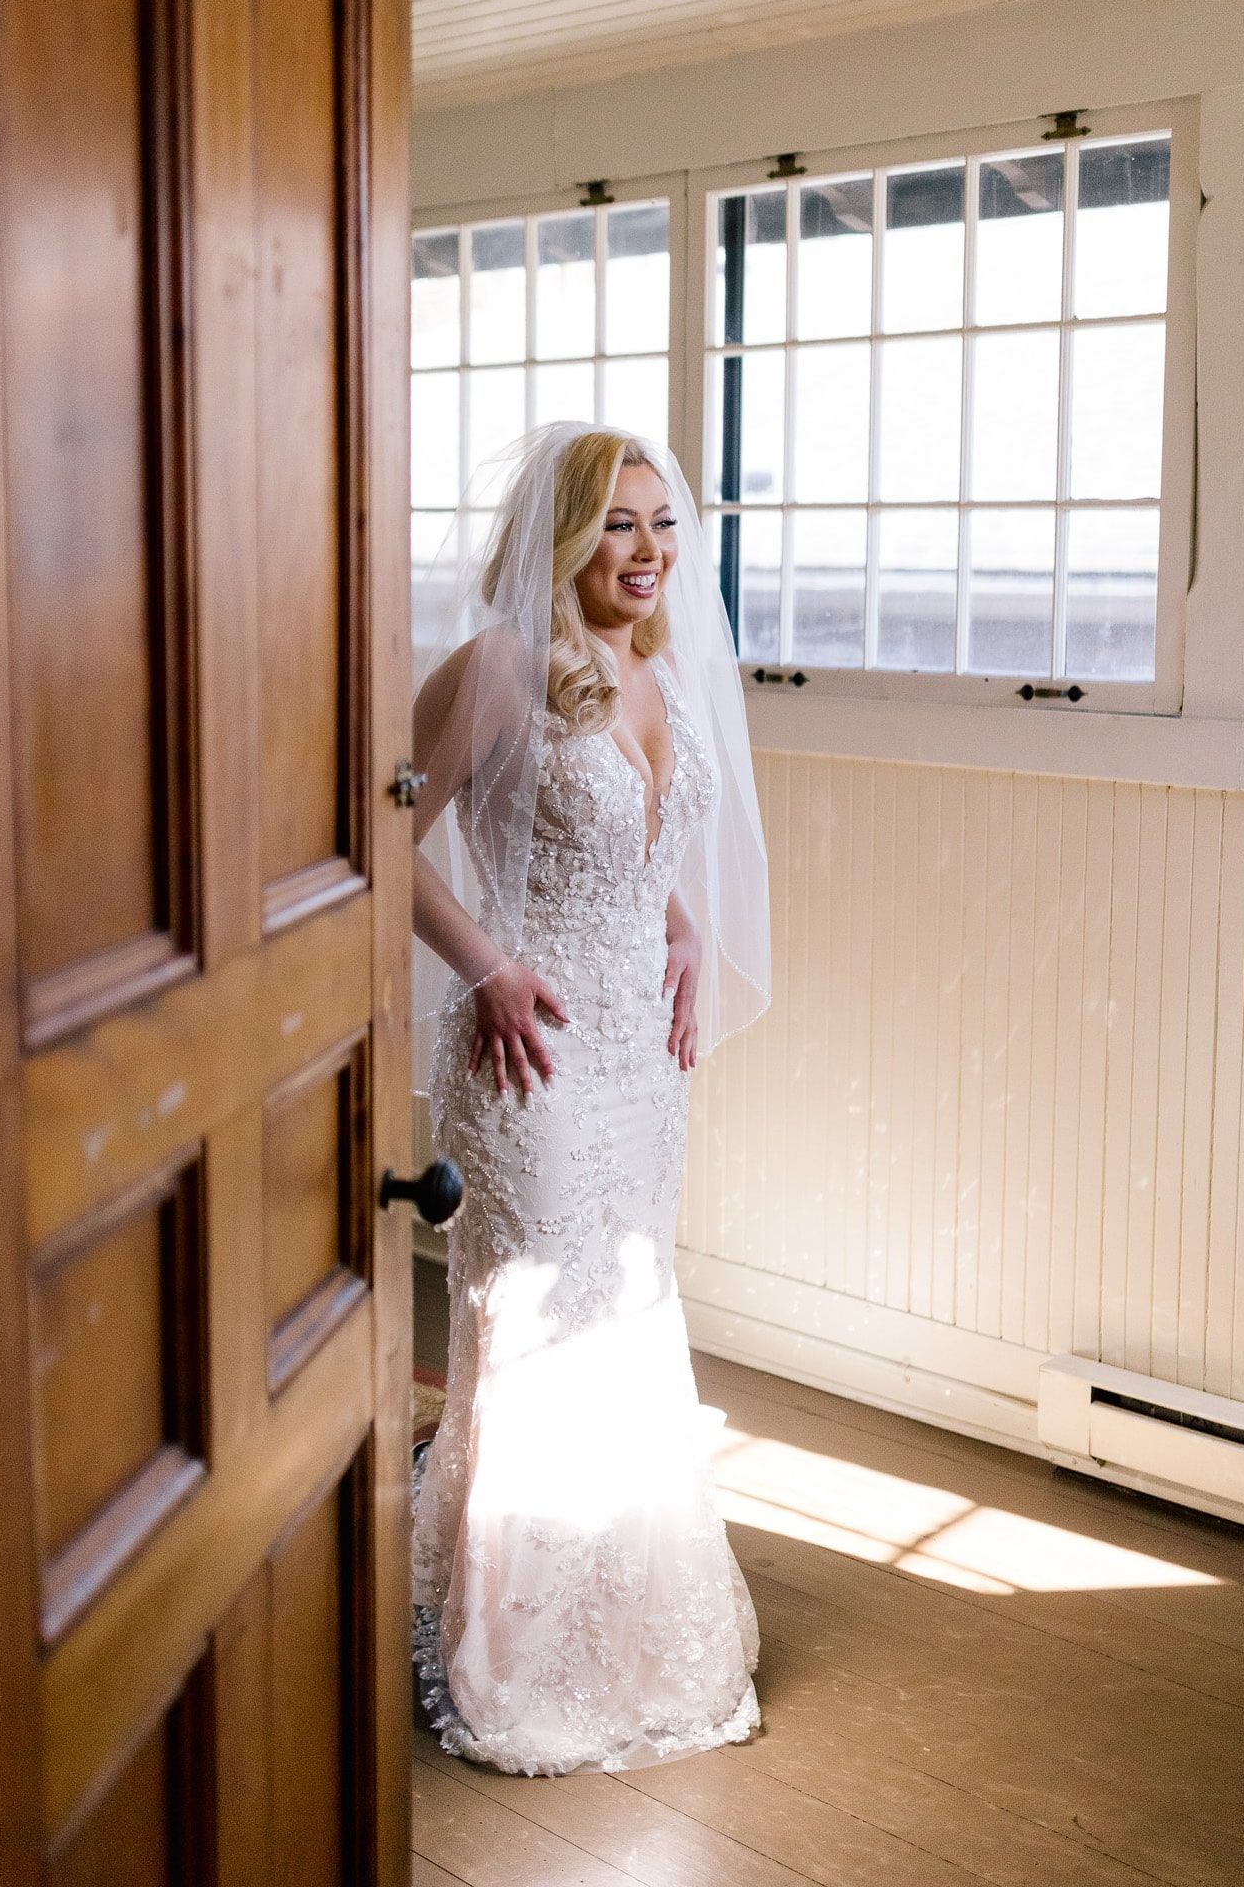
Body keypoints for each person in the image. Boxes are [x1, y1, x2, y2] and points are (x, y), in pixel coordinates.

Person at [408, 420, 771, 1778]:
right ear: (562, 538)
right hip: (532, 1058)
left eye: (661, 523)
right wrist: (491, 967)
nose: (645, 551)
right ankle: (506, 1654)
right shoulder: (498, 667)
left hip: (639, 1057)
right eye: (615, 525)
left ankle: (626, 1633)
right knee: (538, 1331)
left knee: (628, 1320)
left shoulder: (656, 665)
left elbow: (644, 830)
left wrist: (678, 925)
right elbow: (377, 839)